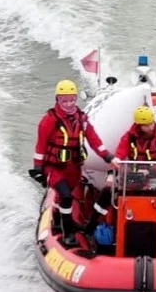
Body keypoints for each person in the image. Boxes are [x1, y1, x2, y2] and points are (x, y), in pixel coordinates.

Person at [29, 79, 112, 247]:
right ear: (57, 100)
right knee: (66, 196)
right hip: (55, 167)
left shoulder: (81, 118)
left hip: (74, 166)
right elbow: (41, 145)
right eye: (64, 100)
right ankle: (68, 232)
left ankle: (58, 219)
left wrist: (107, 156)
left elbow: (94, 139)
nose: (68, 104)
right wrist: (38, 167)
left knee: (64, 197)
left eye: (72, 100)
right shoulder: (49, 120)